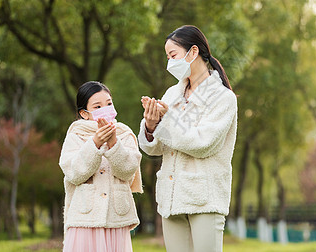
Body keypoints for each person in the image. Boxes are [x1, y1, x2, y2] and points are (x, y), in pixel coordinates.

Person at [138, 25, 238, 252]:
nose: (169, 62)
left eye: (173, 55)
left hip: (204, 199)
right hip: (172, 198)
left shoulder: (223, 98)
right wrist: (151, 126)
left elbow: (203, 143)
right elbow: (156, 148)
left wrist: (167, 120)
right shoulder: (172, 93)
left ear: (193, 52)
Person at [59, 81, 143, 252]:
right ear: (84, 113)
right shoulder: (75, 136)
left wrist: (113, 143)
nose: (105, 109)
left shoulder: (124, 134)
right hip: (84, 219)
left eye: (109, 104)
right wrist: (95, 143)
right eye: (97, 106)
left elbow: (128, 172)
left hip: (116, 219)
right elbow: (74, 173)